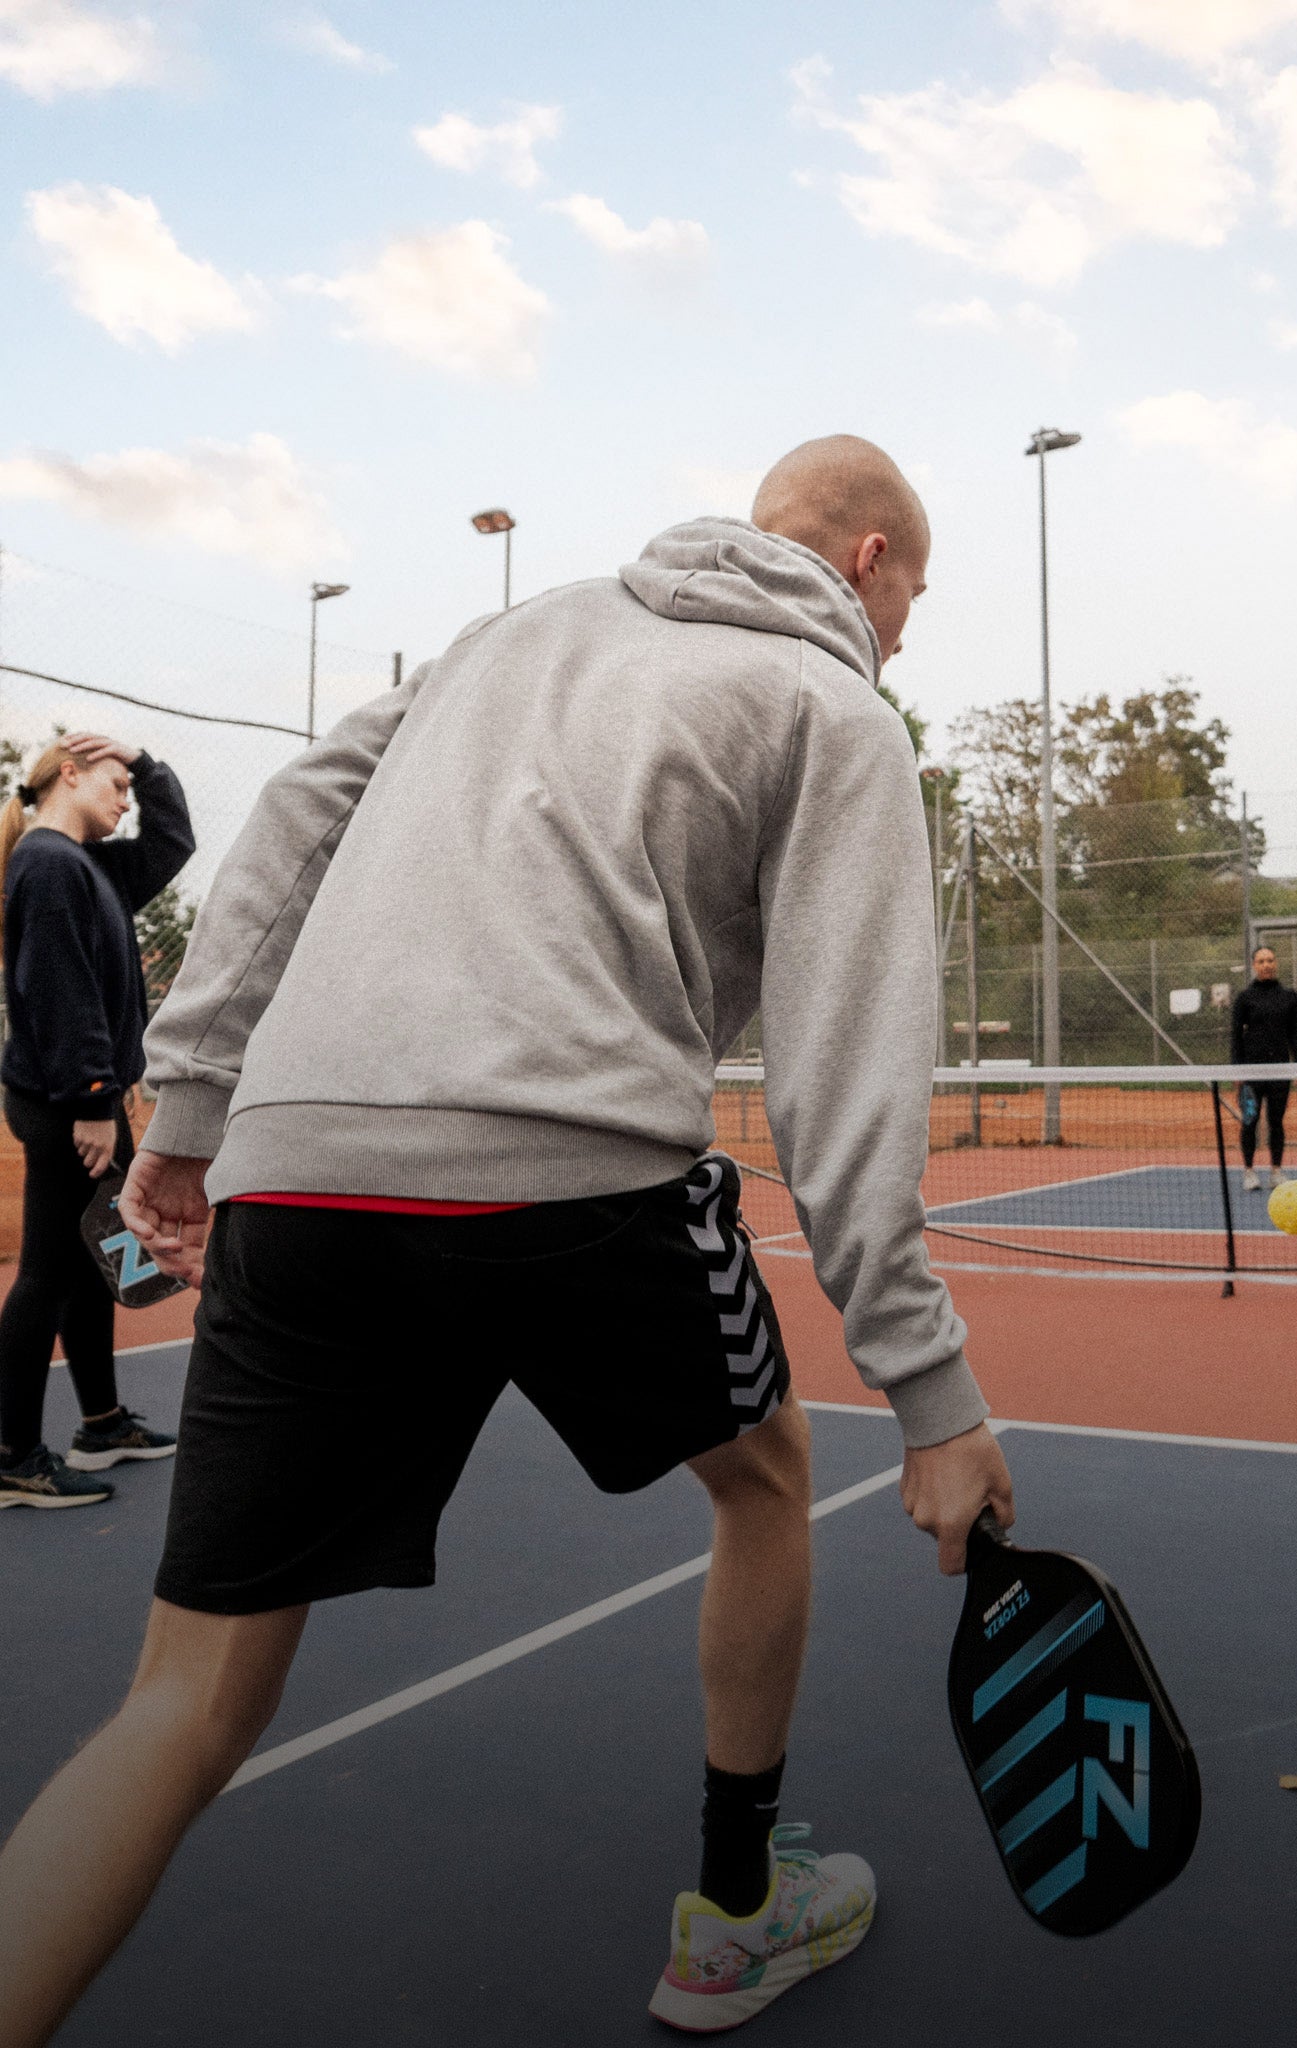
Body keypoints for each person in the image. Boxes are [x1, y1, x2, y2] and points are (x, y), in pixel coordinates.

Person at [0, 436, 1016, 2044]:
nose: (904, 634)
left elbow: (298, 816)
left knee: (181, 1707)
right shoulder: (836, 711)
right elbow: (846, 1082)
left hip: (303, 1168)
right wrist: (935, 1399)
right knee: (767, 1481)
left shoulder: (512, 632)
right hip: (577, 1168)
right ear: (874, 560)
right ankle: (739, 1915)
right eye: (916, 601)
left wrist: (188, 1109)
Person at [0, 733, 193, 1510]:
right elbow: (60, 989)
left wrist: (144, 761)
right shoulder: (48, 864)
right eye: (115, 784)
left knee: (85, 1265)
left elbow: (175, 839)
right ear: (68, 775)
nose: (125, 799)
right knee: (44, 1274)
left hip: (85, 1097)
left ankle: (102, 1422)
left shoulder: (94, 867)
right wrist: (91, 1101)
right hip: (65, 1102)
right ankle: (14, 1457)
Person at [1230, 945, 1297, 1192]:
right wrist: (1237, 1072)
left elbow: (1294, 1033)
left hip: (1279, 1072)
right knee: (1249, 1121)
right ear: (1254, 966)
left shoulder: (1289, 996)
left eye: (1270, 960)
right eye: (1261, 961)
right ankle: (1249, 1172)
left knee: (1276, 1122)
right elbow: (1236, 1036)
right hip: (1251, 1073)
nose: (1266, 965)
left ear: (1276, 963)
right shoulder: (1244, 998)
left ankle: (1276, 1171)